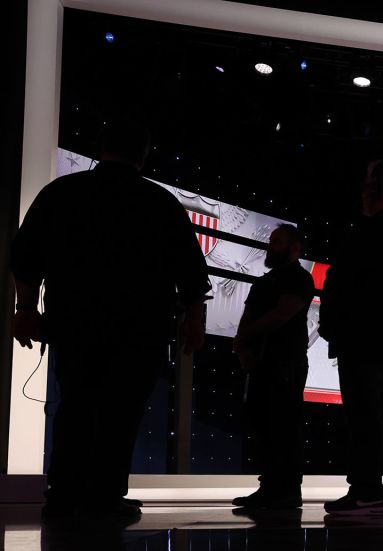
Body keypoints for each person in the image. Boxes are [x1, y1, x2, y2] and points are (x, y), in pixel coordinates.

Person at [9, 117, 208, 520]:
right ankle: (105, 497)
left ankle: (63, 495)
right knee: (121, 412)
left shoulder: (61, 193)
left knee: (75, 406)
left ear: (101, 149)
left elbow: (26, 260)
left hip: (74, 324)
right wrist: (193, 319)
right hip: (139, 330)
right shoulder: (160, 202)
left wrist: (26, 310)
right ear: (144, 155)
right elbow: (190, 273)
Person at [317, 160, 383, 516]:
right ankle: (366, 489)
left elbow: (352, 283)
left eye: (367, 185)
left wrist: (334, 322)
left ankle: (367, 490)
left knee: (363, 417)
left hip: (364, 337)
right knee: (366, 417)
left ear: (378, 191)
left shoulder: (377, 230)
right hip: (375, 337)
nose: (362, 192)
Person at [232, 224, 315, 511]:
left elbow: (281, 315)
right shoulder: (263, 283)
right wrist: (242, 345)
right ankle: (270, 487)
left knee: (284, 425)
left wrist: (247, 336)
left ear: (295, 248)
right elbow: (249, 316)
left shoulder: (300, 279)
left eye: (277, 242)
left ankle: (287, 490)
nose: (271, 246)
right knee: (264, 423)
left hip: (286, 361)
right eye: (271, 241)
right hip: (262, 362)